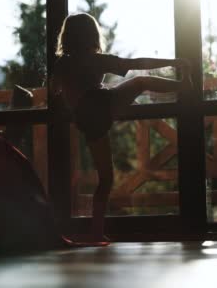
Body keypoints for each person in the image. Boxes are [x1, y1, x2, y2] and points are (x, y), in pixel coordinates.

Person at [51, 13, 192, 245]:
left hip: (86, 118)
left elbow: (55, 92)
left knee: (105, 178)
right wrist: (173, 62)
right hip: (100, 106)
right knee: (140, 83)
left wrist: (73, 104)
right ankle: (183, 87)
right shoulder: (96, 59)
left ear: (67, 37)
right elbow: (137, 65)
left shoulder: (62, 63)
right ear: (92, 35)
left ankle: (97, 234)